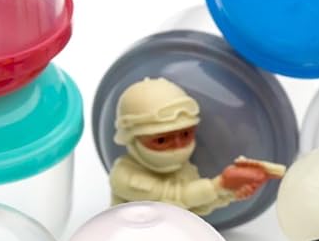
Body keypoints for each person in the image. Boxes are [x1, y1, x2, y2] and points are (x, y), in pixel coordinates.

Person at [109, 76, 272, 213]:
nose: (178, 145)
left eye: (185, 134)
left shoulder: (185, 170)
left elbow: (196, 208)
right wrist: (219, 185)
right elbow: (173, 198)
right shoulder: (123, 176)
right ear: (132, 139)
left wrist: (229, 192)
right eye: (161, 140)